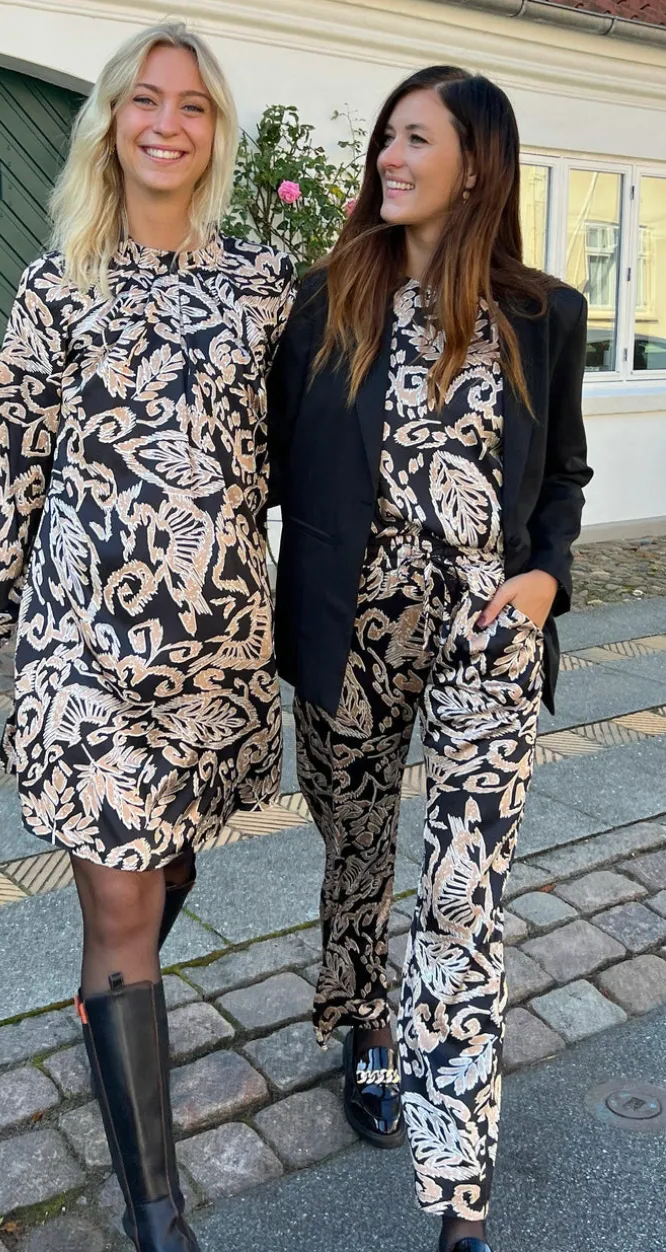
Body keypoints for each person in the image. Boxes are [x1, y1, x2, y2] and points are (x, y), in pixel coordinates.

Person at [0, 22, 294, 1252]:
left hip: (217, 658)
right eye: (146, 100)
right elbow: (7, 466)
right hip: (89, 660)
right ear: (110, 121)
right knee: (124, 913)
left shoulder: (263, 282)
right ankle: (158, 1217)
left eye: (191, 105)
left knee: (160, 871)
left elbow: (302, 452)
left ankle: (104, 997)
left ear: (214, 132)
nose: (167, 123)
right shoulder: (56, 285)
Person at [268, 65, 591, 1252]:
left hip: (485, 642)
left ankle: (459, 1203)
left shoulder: (544, 315)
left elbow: (561, 474)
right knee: (355, 851)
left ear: (475, 166)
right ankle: (365, 1022)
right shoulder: (324, 301)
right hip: (346, 629)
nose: (388, 159)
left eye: (415, 139)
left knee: (461, 903)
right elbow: (255, 460)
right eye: (385, 138)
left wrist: (546, 574)